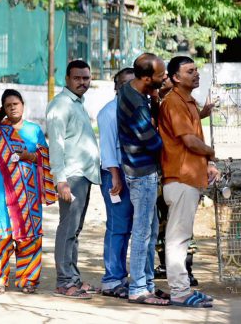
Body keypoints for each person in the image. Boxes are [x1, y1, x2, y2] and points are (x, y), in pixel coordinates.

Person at [159, 56, 218, 307]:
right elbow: (189, 141)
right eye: (189, 71)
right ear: (175, 77)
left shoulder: (188, 100)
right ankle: (180, 291)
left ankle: (182, 288)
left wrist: (203, 112)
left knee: (181, 237)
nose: (196, 74)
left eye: (196, 70)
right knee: (177, 238)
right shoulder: (173, 101)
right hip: (179, 178)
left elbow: (191, 131)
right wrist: (212, 152)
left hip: (189, 178)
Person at [0, 89, 56, 295]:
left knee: (29, 233)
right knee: (0, 232)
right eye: (8, 105)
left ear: (23, 105)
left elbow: (45, 156)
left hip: (28, 190)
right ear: (3, 110)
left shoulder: (34, 130)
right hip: (1, 190)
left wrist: (29, 156)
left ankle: (28, 278)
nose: (13, 107)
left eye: (16, 103)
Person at [46, 60, 101, 299]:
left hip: (84, 175)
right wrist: (61, 180)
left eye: (86, 78)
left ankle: (74, 279)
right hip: (72, 176)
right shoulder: (60, 105)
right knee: (67, 228)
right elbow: (56, 146)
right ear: (67, 79)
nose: (82, 82)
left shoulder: (77, 103)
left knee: (75, 230)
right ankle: (64, 281)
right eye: (78, 78)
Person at [117, 53, 169, 306]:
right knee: (142, 232)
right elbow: (153, 141)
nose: (165, 78)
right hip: (142, 172)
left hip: (140, 170)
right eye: (161, 76)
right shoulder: (136, 103)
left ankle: (147, 283)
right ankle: (138, 287)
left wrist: (156, 100)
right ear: (146, 78)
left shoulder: (134, 91)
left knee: (150, 229)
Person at [97, 68, 135, 298]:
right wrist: (115, 177)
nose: (128, 87)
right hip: (115, 174)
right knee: (117, 226)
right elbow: (109, 149)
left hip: (133, 173)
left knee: (130, 228)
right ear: (116, 87)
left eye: (133, 83)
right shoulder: (109, 112)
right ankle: (111, 279)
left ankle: (121, 276)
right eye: (123, 84)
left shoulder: (136, 109)